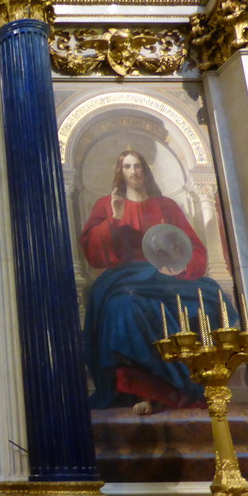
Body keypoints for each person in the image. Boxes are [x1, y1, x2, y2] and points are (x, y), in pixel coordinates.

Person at [80, 149, 235, 415]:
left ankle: (184, 384)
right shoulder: (107, 204)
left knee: (210, 297)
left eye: (138, 166)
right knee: (123, 308)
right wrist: (114, 219)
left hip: (165, 277)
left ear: (145, 170)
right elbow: (94, 252)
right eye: (127, 166)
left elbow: (194, 248)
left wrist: (181, 267)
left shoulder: (166, 206)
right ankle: (145, 392)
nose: (133, 172)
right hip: (125, 278)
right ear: (120, 172)